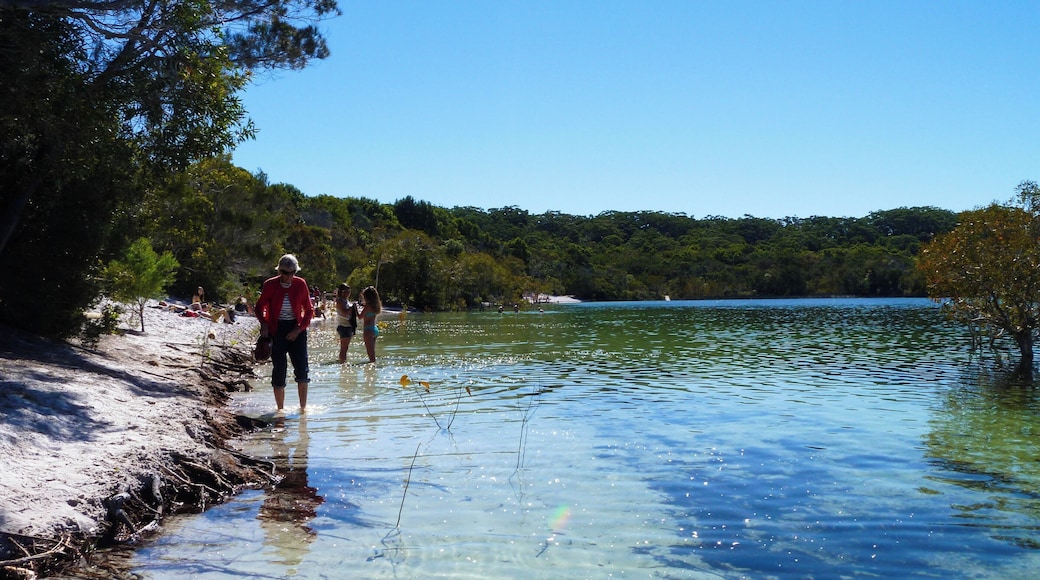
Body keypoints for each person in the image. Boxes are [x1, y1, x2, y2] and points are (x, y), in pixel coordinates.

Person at [255, 254, 314, 411]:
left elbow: (309, 311)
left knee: (302, 370)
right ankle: (280, 410)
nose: (288, 276)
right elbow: (259, 307)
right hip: (276, 330)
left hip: (296, 328)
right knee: (279, 369)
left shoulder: (301, 284)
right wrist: (264, 324)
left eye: (292, 272)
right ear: (279, 271)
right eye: (284, 272)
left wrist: (299, 329)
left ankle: (303, 411)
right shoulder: (270, 285)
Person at [334, 283, 358, 364]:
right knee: (344, 348)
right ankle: (342, 364)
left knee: (345, 348)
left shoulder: (345, 300)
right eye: (346, 291)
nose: (348, 293)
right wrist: (352, 307)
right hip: (344, 326)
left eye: (349, 291)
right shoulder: (340, 300)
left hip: (347, 326)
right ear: (341, 291)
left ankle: (342, 362)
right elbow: (345, 313)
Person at [358, 285, 382, 363]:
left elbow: (360, 316)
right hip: (374, 329)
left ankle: (371, 372)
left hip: (368, 330)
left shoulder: (368, 306)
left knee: (371, 356)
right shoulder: (375, 306)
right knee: (372, 354)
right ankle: (373, 372)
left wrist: (354, 308)